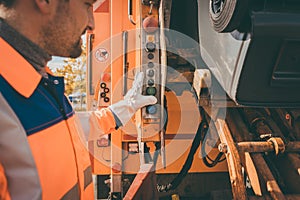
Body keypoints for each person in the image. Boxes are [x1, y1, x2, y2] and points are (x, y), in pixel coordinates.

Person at [0, 0, 157, 199]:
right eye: (86, 5)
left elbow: (70, 131)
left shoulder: (39, 81)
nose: (92, 24)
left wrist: (126, 107)